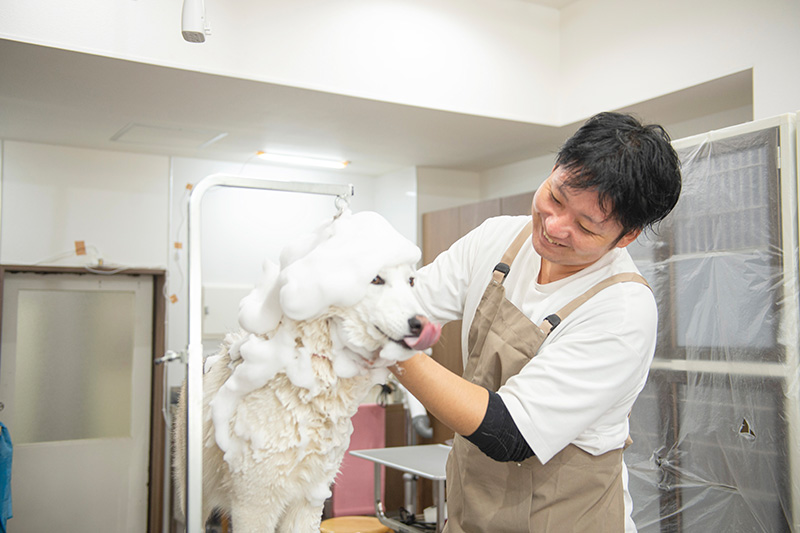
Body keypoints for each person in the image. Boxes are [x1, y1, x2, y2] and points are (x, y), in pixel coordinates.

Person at [391, 112, 682, 533]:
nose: (553, 226)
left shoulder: (622, 310)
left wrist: (385, 348)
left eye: (585, 225)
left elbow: (508, 432)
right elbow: (407, 310)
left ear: (627, 236)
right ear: (553, 170)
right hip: (473, 511)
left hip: (564, 519)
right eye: (556, 197)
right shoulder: (497, 238)